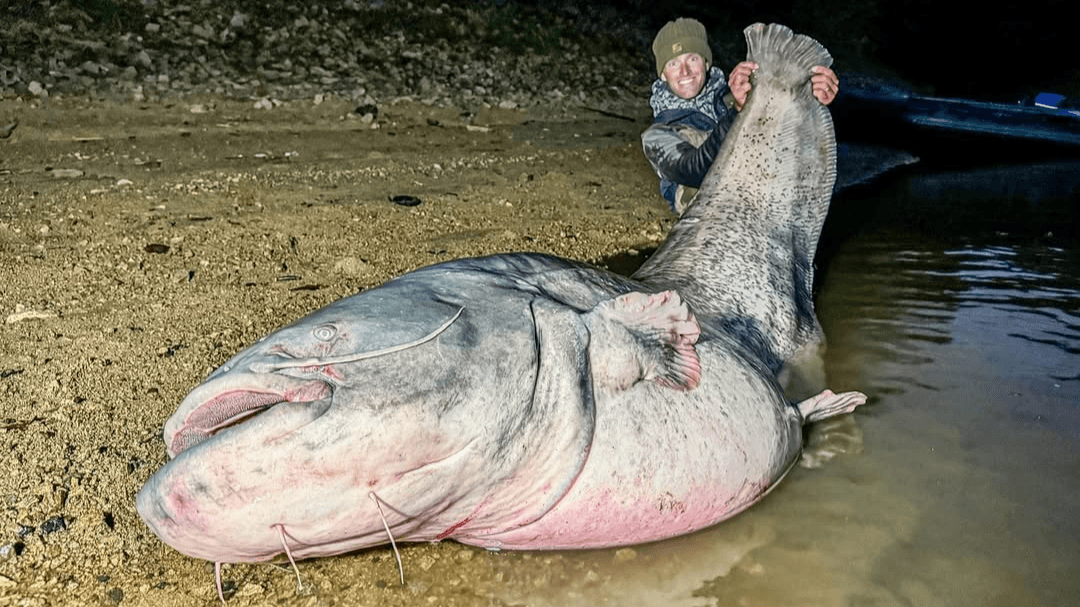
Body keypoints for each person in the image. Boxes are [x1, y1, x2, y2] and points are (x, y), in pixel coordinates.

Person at [642, 18, 839, 213]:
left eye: (692, 59)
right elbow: (694, 171)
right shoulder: (657, 136)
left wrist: (810, 97)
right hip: (707, 226)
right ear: (663, 74)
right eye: (673, 63)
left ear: (706, 63)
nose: (684, 71)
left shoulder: (739, 97)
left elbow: (788, 143)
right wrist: (738, 111)